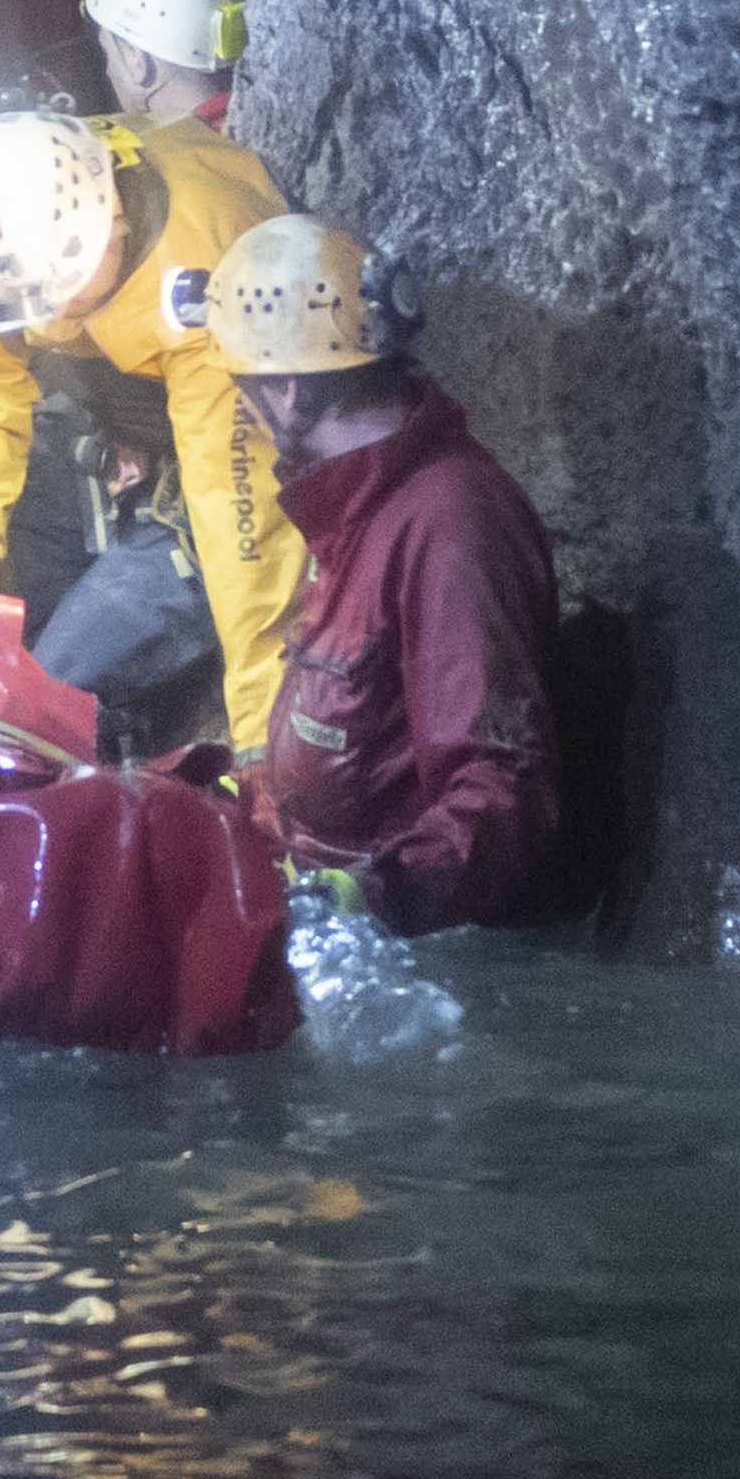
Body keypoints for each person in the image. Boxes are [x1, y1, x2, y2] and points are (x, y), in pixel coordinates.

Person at [202, 210, 565, 937]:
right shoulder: (355, 513)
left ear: (290, 392)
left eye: (245, 388)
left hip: (411, 949)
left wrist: (358, 902)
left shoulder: (448, 523)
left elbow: (500, 788)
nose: (246, 409)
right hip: (347, 908)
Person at [0, 101, 310, 758]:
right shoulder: (0, 224)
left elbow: (250, 529)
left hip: (216, 483)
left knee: (44, 695)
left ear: (113, 223)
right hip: (121, 451)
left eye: (67, 291)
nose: (58, 313)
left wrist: (262, 745)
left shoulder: (210, 265)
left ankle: (107, 723)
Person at [81, 0, 245, 138]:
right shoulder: (262, 122)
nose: (108, 71)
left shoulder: (171, 163)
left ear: (136, 59)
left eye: (108, 55)